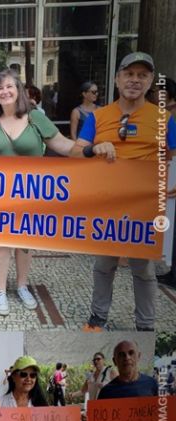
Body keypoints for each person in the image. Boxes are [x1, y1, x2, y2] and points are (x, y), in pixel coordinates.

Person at [72, 52, 174, 332]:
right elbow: (76, 153)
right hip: (107, 205)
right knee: (104, 265)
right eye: (129, 74)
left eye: (142, 75)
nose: (135, 80)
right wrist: (94, 148)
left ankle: (146, 326)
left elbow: (173, 157)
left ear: (150, 81)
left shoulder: (164, 118)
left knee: (143, 269)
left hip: (144, 207)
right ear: (117, 79)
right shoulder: (98, 116)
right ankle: (98, 318)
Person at [0, 70, 81, 316]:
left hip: (31, 193)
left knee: (25, 243)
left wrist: (92, 151)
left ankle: (22, 286)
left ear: (19, 90)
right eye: (0, 88)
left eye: (9, 86)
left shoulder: (35, 118)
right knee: (1, 243)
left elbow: (65, 146)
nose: (5, 92)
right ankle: (0, 290)